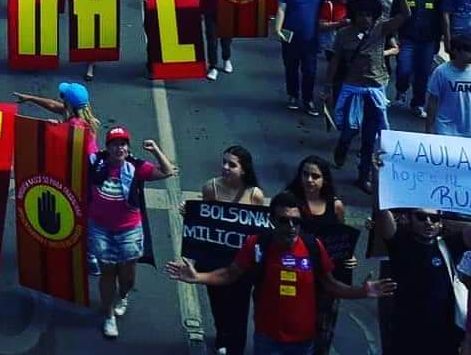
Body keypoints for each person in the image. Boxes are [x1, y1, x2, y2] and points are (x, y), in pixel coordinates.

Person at [166, 191, 394, 354]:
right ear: (273, 221)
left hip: (304, 342)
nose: (292, 226)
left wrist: (362, 291)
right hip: (268, 340)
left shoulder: (314, 247)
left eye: (296, 221)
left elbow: (331, 285)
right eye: (285, 221)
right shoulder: (257, 244)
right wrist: (197, 278)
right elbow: (230, 273)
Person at [88, 125, 177, 339]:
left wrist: (155, 149)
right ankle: (109, 315)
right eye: (115, 144)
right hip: (100, 229)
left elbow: (167, 171)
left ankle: (123, 295)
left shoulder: (137, 167)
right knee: (108, 272)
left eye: (123, 144)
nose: (119, 148)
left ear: (128, 148)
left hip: (129, 231)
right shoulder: (95, 162)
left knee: (127, 277)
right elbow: (77, 145)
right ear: (107, 148)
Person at [324, 0, 408, 194]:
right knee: (350, 129)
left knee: (371, 136)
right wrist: (327, 88)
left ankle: (363, 177)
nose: (366, 19)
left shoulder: (381, 29)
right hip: (352, 88)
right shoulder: (343, 35)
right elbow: (335, 62)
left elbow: (405, 15)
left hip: (376, 89)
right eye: (362, 14)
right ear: (354, 14)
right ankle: (343, 145)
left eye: (370, 14)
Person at [193, 145, 265, 355]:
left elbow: (258, 227)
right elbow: (203, 220)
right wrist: (190, 214)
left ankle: (236, 348)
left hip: (242, 263)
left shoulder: (255, 195)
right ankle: (222, 335)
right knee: (218, 302)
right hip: (214, 258)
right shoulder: (210, 188)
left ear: (244, 169)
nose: (225, 167)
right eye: (224, 162)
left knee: (240, 306)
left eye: (231, 164)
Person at [374, 201, 470, 355]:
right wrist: (379, 182)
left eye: (434, 218)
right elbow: (382, 209)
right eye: (421, 217)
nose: (428, 222)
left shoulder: (449, 245)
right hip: (406, 331)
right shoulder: (400, 242)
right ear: (408, 218)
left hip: (443, 334)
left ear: (440, 223)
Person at [283, 156, 352, 355]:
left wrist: (349, 258)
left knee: (322, 329)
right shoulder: (289, 200)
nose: (310, 180)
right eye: (306, 174)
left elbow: (341, 238)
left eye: (315, 176)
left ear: (325, 180)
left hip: (324, 279)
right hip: (295, 273)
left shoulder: (335, 206)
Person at [274, 0, 328, 116]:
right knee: (291, 68)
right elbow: (281, 10)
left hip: (311, 38)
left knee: (310, 71)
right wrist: (278, 29)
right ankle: (292, 95)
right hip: (290, 36)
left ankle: (308, 99)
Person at [394, 0, 443, 116]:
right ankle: (401, 89)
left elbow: (440, 20)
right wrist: (394, 37)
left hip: (427, 41)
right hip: (407, 38)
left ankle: (418, 103)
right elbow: (394, 14)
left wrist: (437, 40)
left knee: (423, 74)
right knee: (404, 69)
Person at [13, 81, 101, 154]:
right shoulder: (89, 119)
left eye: (62, 96)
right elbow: (52, 105)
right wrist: (30, 98)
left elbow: (62, 145)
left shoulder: (74, 124)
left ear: (68, 104)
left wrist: (57, 128)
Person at [427, 33, 471, 137]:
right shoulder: (441, 72)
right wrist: (428, 129)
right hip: (445, 129)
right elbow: (433, 101)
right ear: (456, 51)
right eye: (468, 51)